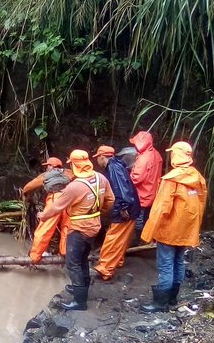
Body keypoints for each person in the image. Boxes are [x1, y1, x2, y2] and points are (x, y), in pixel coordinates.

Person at [37, 150, 114, 310]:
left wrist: (43, 215)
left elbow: (56, 207)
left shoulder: (74, 187)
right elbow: (110, 200)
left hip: (79, 228)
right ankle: (82, 287)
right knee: (83, 258)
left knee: (73, 263)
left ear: (73, 164)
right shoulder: (101, 178)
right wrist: (97, 212)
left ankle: (79, 301)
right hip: (95, 224)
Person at [139, 142, 207, 312]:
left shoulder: (171, 179)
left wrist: (148, 232)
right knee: (178, 262)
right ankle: (173, 300)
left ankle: (160, 304)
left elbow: (161, 207)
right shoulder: (198, 178)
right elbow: (200, 204)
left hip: (169, 230)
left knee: (166, 266)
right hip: (186, 230)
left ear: (176, 155)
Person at [92, 145, 141, 280]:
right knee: (122, 237)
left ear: (102, 157)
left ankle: (105, 269)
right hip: (132, 207)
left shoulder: (114, 168)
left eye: (98, 158)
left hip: (126, 208)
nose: (97, 161)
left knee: (113, 238)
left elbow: (121, 188)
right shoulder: (118, 165)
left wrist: (122, 207)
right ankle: (117, 261)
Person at [22, 157, 74, 263]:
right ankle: (65, 253)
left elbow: (29, 186)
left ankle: (34, 256)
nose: (46, 168)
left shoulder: (45, 176)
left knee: (45, 229)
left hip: (54, 200)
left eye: (47, 165)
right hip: (69, 201)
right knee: (67, 228)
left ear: (51, 166)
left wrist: (23, 192)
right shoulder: (69, 172)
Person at [129, 131, 163, 246]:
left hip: (142, 193)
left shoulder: (144, 158)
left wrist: (127, 179)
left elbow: (136, 178)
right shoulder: (157, 154)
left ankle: (138, 241)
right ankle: (147, 240)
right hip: (153, 192)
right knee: (147, 218)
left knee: (138, 218)